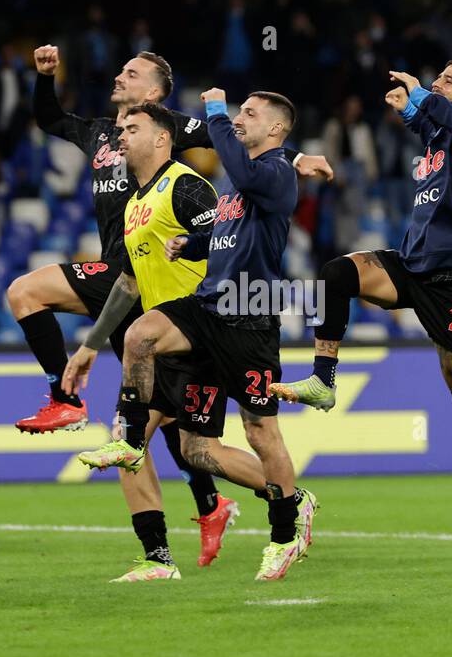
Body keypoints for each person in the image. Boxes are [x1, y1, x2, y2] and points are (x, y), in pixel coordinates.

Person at [272, 62, 452, 546]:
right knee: (337, 272)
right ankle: (324, 381)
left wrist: (419, 100)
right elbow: (432, 123)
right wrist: (410, 109)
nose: (437, 84)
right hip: (410, 265)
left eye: (450, 82)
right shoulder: (440, 138)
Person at [77, 89, 318, 582]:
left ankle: (285, 528)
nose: (237, 119)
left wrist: (213, 113)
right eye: (236, 112)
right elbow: (228, 238)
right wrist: (192, 243)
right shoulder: (234, 186)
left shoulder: (273, 173)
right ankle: (128, 437)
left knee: (259, 431)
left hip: (249, 311)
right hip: (210, 305)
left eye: (249, 113)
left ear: (275, 129)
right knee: (144, 341)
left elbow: (244, 172)